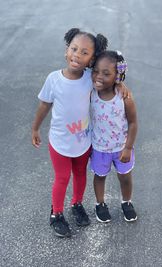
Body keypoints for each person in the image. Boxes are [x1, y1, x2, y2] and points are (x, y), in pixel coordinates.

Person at [32, 28, 129, 238]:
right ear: (67, 50)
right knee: (62, 177)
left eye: (85, 52)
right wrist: (35, 128)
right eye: (74, 49)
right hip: (60, 142)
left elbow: (109, 78)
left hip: (83, 142)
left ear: (91, 59)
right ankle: (56, 213)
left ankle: (76, 204)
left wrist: (121, 83)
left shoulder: (90, 78)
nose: (77, 55)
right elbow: (44, 106)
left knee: (80, 175)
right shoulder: (54, 79)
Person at [90, 50, 138, 223]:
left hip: (121, 148)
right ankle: (100, 204)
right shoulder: (91, 92)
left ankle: (126, 202)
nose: (98, 76)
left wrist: (128, 147)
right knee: (100, 177)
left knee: (125, 177)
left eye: (106, 73)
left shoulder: (124, 97)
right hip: (99, 148)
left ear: (118, 76)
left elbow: (133, 123)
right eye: (95, 70)